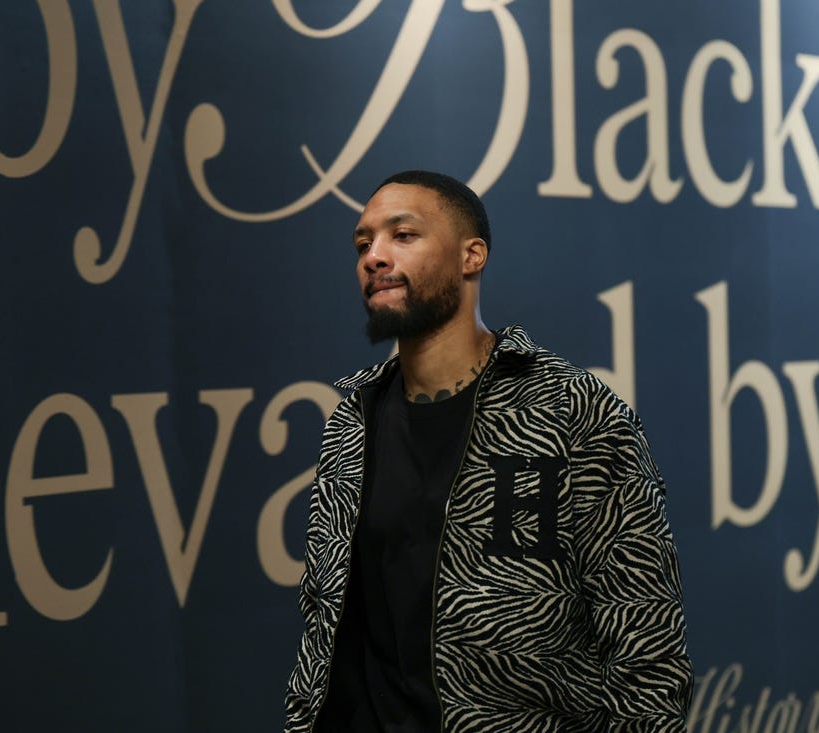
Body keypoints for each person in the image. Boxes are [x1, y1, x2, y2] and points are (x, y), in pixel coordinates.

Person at [285, 170, 691, 732]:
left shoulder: (571, 412)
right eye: (363, 243)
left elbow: (649, 658)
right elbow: (324, 629)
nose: (374, 256)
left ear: (471, 256)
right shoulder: (351, 422)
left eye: (402, 236)